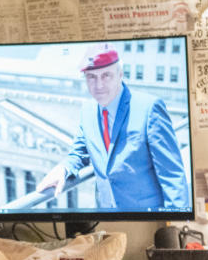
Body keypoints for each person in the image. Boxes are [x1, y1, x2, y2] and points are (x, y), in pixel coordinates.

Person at [36, 44, 189, 210]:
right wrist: (63, 169)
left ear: (120, 75)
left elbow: (172, 175)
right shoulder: (87, 111)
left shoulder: (149, 108)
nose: (99, 85)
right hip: (107, 214)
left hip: (146, 217)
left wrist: (176, 221)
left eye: (106, 75)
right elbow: (79, 152)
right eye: (91, 77)